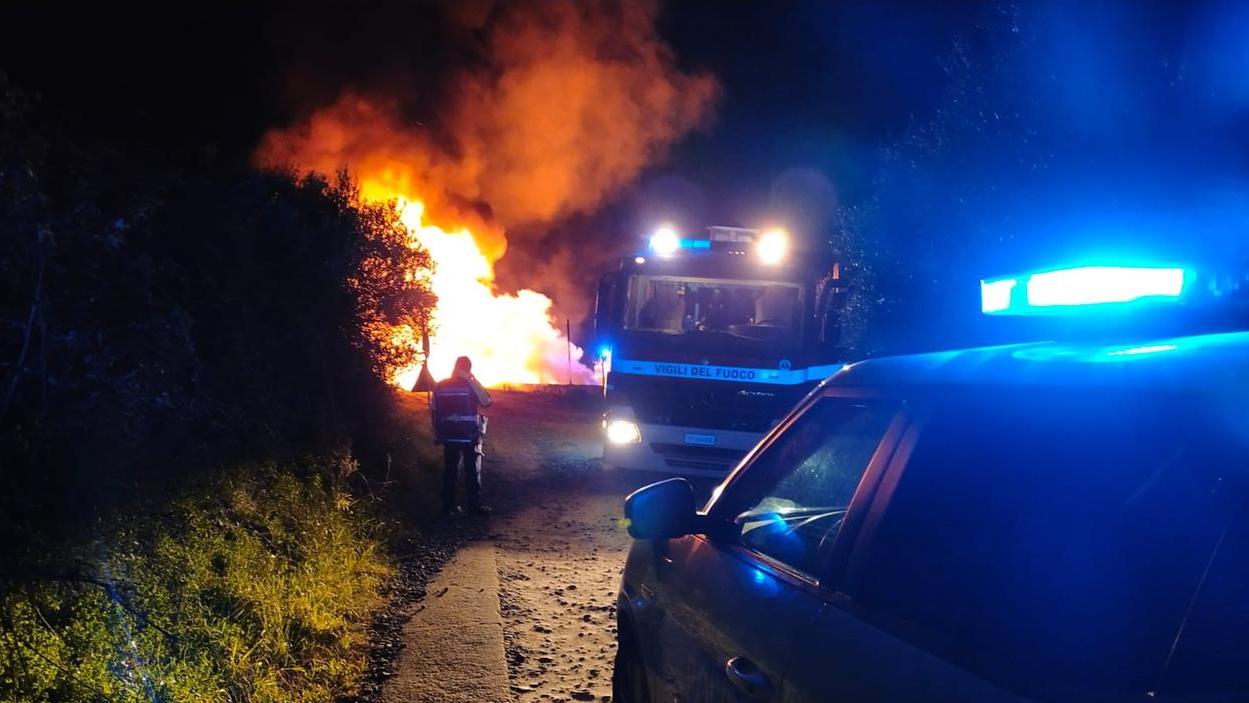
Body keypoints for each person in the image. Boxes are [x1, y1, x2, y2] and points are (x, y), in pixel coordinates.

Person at [430, 356, 493, 516]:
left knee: (450, 471)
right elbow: (486, 401)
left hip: (449, 435)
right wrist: (473, 380)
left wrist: (438, 433)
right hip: (468, 435)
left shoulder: (440, 386)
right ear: (468, 369)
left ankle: (448, 508)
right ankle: (473, 507)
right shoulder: (469, 385)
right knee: (471, 471)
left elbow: (434, 411)